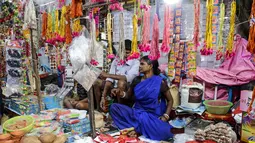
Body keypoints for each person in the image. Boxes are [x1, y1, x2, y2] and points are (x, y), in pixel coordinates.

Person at [110, 56, 174, 141]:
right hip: (137, 113)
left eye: (142, 64)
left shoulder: (160, 82)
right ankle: (137, 128)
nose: (139, 66)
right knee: (114, 107)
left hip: (152, 116)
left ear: (150, 66)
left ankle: (136, 129)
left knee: (168, 131)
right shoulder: (137, 80)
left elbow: (170, 100)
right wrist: (120, 93)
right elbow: (128, 96)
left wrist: (166, 116)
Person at [94, 40, 140, 111]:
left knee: (121, 82)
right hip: (114, 87)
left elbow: (127, 78)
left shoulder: (136, 62)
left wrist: (107, 75)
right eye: (123, 52)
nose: (124, 55)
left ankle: (120, 110)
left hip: (127, 89)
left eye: (127, 53)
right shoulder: (116, 60)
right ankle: (98, 108)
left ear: (132, 52)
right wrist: (103, 96)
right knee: (96, 82)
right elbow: (109, 80)